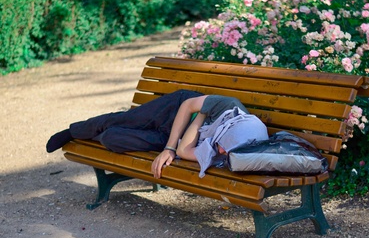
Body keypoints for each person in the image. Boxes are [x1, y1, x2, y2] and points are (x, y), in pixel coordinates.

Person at [46, 89, 269, 178]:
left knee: (113, 139)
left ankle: (95, 135)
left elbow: (184, 150)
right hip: (176, 110)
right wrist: (172, 147)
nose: (219, 150)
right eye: (222, 145)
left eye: (224, 150)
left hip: (171, 141)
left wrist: (172, 148)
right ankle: (74, 130)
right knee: (125, 119)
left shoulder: (229, 153)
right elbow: (189, 106)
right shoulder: (230, 107)